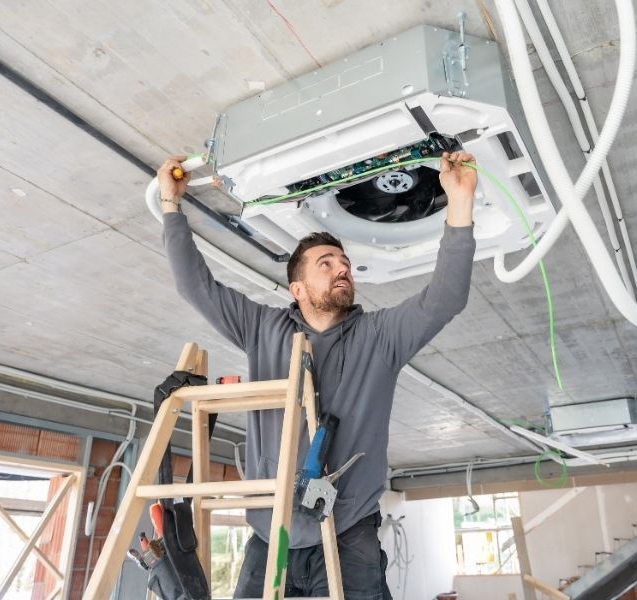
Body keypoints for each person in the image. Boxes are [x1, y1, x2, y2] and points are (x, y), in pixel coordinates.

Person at [158, 150, 478, 598]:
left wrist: (459, 203)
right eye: (325, 263)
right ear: (298, 288)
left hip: (349, 533)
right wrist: (171, 206)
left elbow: (445, 298)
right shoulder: (262, 328)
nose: (341, 268)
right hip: (270, 533)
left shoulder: (380, 336)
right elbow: (196, 286)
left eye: (343, 263)